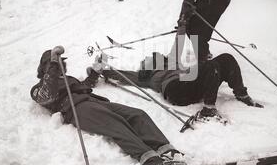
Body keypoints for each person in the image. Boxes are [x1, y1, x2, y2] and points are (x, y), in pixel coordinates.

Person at [30, 46, 185, 165]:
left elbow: (84, 86)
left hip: (94, 102)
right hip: (76, 108)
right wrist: (53, 65)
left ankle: (165, 149)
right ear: (46, 66)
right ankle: (148, 158)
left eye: (61, 62)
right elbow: (47, 95)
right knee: (114, 123)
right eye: (57, 63)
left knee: (137, 114)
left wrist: (97, 71)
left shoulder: (69, 79)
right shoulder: (38, 88)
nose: (62, 64)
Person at [88, 52, 263, 123]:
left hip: (193, 86)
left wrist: (183, 23)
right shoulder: (146, 77)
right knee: (209, 66)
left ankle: (241, 94)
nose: (147, 59)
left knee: (226, 58)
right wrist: (102, 70)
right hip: (176, 91)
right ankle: (209, 109)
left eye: (150, 57)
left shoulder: (174, 64)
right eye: (146, 60)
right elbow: (122, 75)